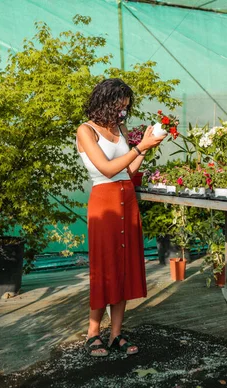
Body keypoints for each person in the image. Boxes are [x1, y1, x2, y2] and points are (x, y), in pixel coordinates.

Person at [76, 78, 166, 357]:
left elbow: (127, 169)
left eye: (126, 108)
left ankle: (116, 334)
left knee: (124, 266)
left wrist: (146, 147)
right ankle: (93, 333)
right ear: (106, 102)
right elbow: (105, 169)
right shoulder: (86, 131)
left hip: (127, 199)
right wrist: (140, 148)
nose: (123, 112)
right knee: (104, 267)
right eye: (120, 106)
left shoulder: (120, 128)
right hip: (105, 204)